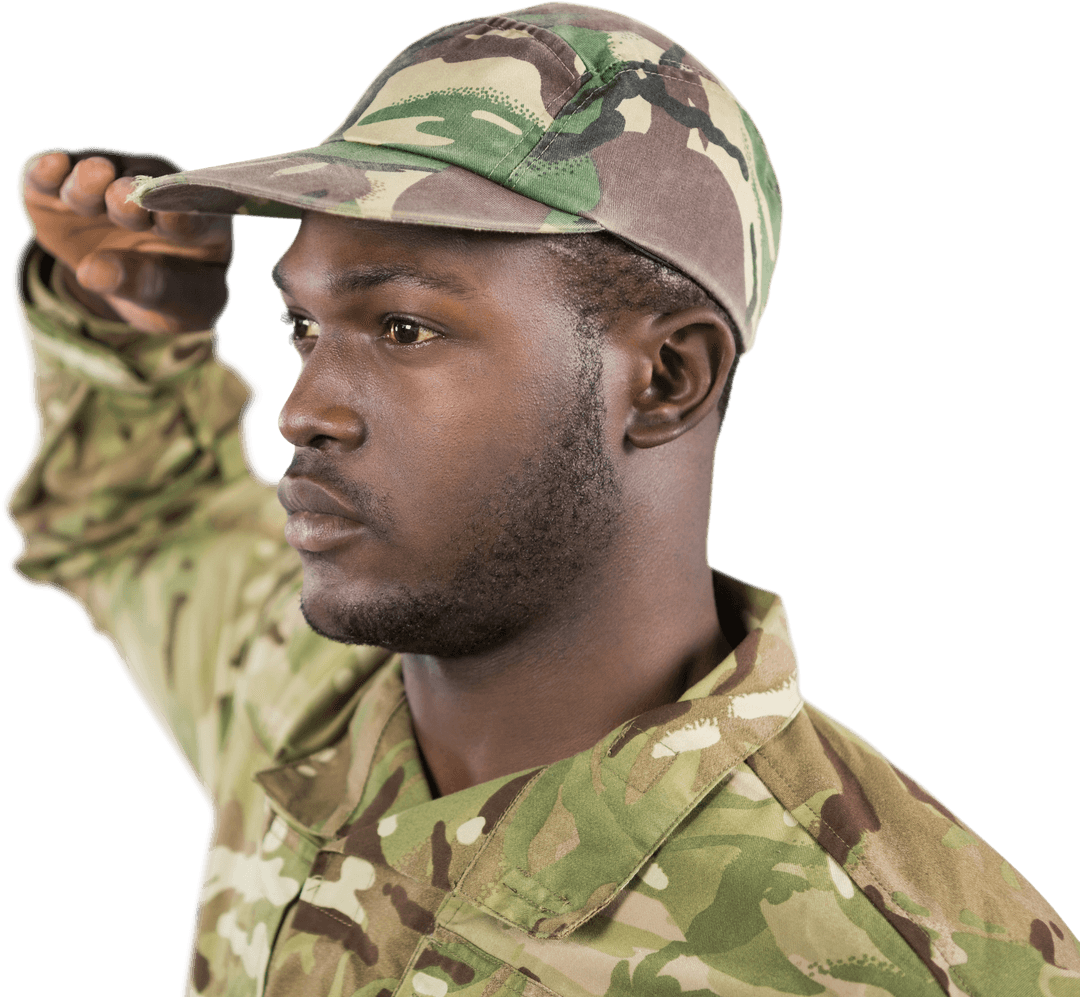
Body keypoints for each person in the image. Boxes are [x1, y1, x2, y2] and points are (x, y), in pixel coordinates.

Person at [6, 3, 1076, 995]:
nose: (304, 410)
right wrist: (130, 336)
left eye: (404, 328)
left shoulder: (902, 957)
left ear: (665, 379)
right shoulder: (315, 711)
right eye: (301, 327)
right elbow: (147, 521)